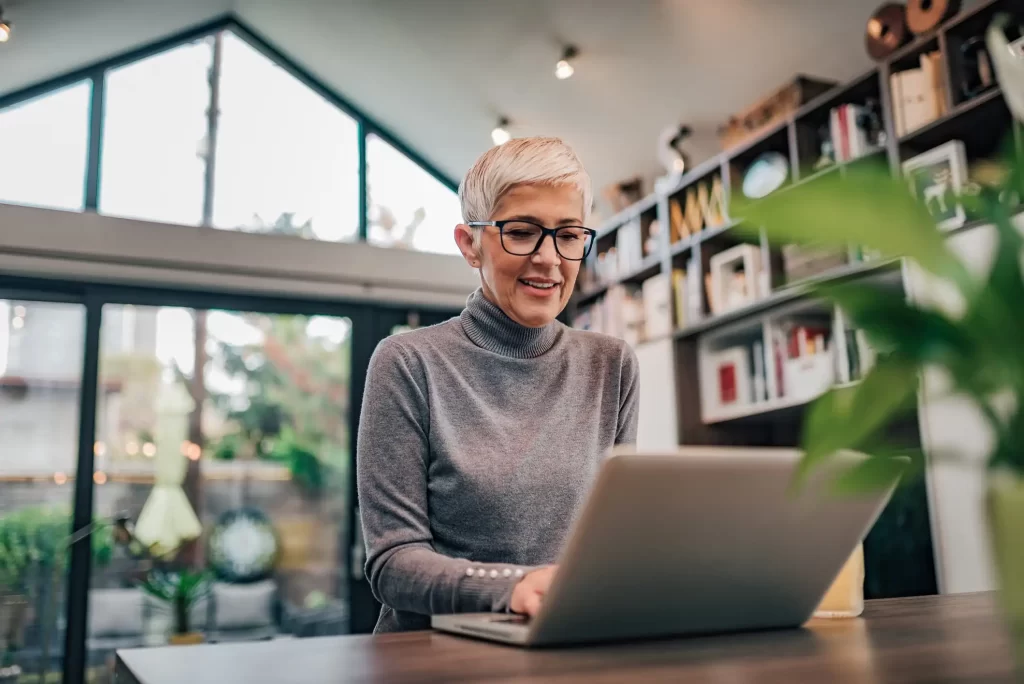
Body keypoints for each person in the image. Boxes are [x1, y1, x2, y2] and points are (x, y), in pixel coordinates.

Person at [357, 136, 640, 633]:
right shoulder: (407, 363)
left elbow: (613, 541)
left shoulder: (612, 365)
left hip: (563, 644)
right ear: (470, 244)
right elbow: (393, 564)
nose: (549, 258)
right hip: (434, 654)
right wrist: (513, 588)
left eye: (569, 235)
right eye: (522, 232)